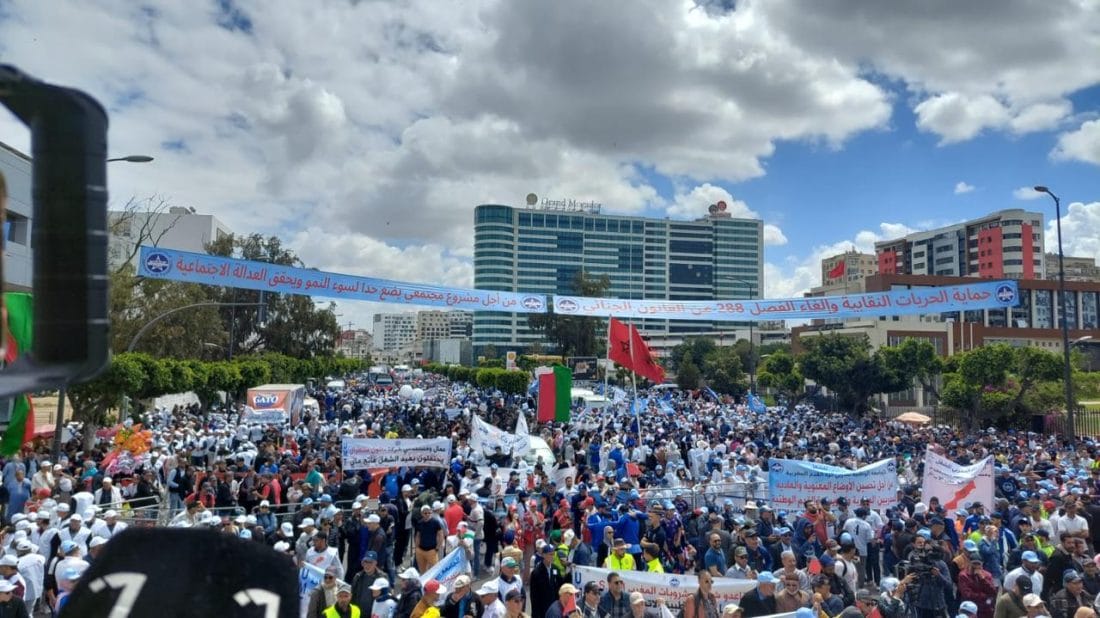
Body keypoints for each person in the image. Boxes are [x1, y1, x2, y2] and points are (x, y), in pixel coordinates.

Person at [958, 553, 998, 618]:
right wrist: (984, 596)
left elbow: (993, 591)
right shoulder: (963, 576)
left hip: (986, 609)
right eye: (974, 564)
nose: (976, 566)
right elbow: (967, 594)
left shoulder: (987, 575)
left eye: (978, 564)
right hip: (971, 609)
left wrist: (982, 579)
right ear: (969, 563)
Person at [531, 545, 561, 618]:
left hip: (554, 609)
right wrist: (536, 615)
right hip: (542, 610)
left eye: (553, 554)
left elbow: (559, 588)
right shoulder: (536, 572)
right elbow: (534, 596)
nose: (552, 556)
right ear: (543, 555)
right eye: (550, 554)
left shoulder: (556, 569)